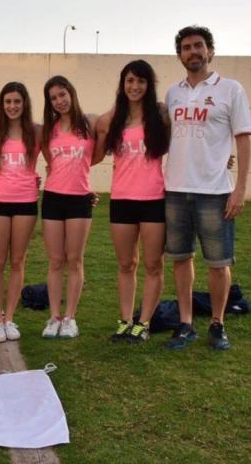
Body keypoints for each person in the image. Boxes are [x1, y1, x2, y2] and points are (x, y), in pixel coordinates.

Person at [164, 25, 251, 350]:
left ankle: (218, 323)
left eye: (199, 46)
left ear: (210, 51)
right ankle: (186, 323)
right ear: (179, 55)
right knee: (181, 258)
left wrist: (239, 189)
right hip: (175, 190)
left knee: (218, 262)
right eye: (186, 47)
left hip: (215, 192)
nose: (193, 52)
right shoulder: (172, 94)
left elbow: (242, 140)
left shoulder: (231, 89)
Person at [94, 60, 169, 343]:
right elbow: (93, 152)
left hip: (153, 200)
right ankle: (125, 320)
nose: (134, 86)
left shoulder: (161, 116)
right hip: (122, 200)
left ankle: (144, 322)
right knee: (126, 264)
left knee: (153, 265)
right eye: (129, 81)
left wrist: (220, 156)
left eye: (140, 81)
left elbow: (188, 143)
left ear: (149, 85)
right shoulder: (112, 119)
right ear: (122, 84)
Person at [40, 76, 98, 339]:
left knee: (74, 260)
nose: (59, 101)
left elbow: (94, 156)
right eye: (54, 98)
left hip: (79, 199)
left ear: (71, 93)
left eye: (62, 95)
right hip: (53, 198)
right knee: (55, 260)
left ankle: (70, 318)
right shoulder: (48, 129)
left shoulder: (90, 123)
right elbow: (50, 159)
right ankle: (54, 316)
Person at [0, 82, 41, 343]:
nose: (12, 106)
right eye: (8, 101)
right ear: (1, 104)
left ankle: (10, 319)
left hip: (26, 203)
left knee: (18, 260)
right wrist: (2, 182)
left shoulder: (36, 132)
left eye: (17, 101)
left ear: (25, 103)